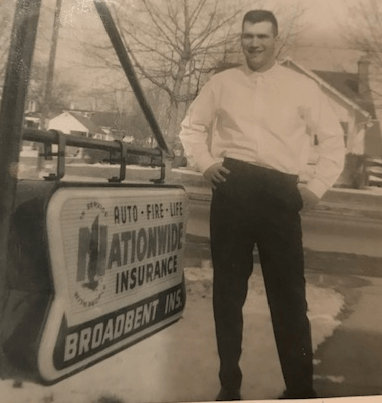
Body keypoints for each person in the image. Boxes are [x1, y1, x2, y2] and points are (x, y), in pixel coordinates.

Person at [179, 9, 345, 401]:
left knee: (289, 296)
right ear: (242, 38)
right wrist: (205, 164)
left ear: (275, 40)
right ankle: (229, 386)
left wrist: (316, 187)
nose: (254, 43)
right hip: (233, 189)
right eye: (248, 36)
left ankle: (301, 389)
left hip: (280, 193)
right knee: (228, 293)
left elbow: (333, 140)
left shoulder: (301, 88)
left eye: (262, 36)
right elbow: (192, 127)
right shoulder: (222, 83)